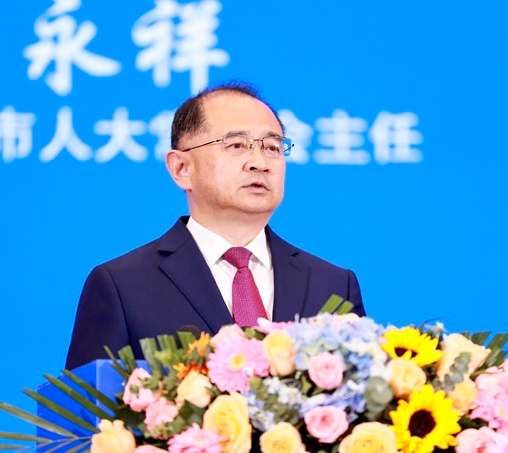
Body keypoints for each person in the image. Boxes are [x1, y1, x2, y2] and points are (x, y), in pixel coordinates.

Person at [65, 82, 366, 370]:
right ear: (181, 168)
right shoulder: (122, 286)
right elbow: (85, 404)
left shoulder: (334, 285)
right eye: (236, 145)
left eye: (273, 147)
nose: (260, 162)